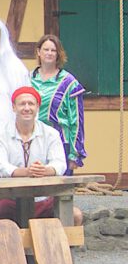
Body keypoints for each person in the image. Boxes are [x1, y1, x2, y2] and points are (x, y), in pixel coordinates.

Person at [0, 87, 84, 225]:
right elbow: (1, 166)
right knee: (3, 223)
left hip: (43, 198)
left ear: (38, 107)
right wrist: (27, 172)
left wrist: (45, 170)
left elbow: (59, 163)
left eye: (31, 104)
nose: (27, 108)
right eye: (22, 104)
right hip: (9, 198)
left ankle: (62, 247)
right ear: (13, 107)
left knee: (75, 216)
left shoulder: (51, 134)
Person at [30, 34, 87, 174]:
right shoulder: (28, 78)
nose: (49, 53)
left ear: (58, 54)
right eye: (46, 49)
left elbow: (76, 122)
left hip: (61, 144)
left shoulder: (69, 83)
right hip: (32, 142)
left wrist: (75, 154)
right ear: (38, 52)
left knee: (59, 192)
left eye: (53, 50)